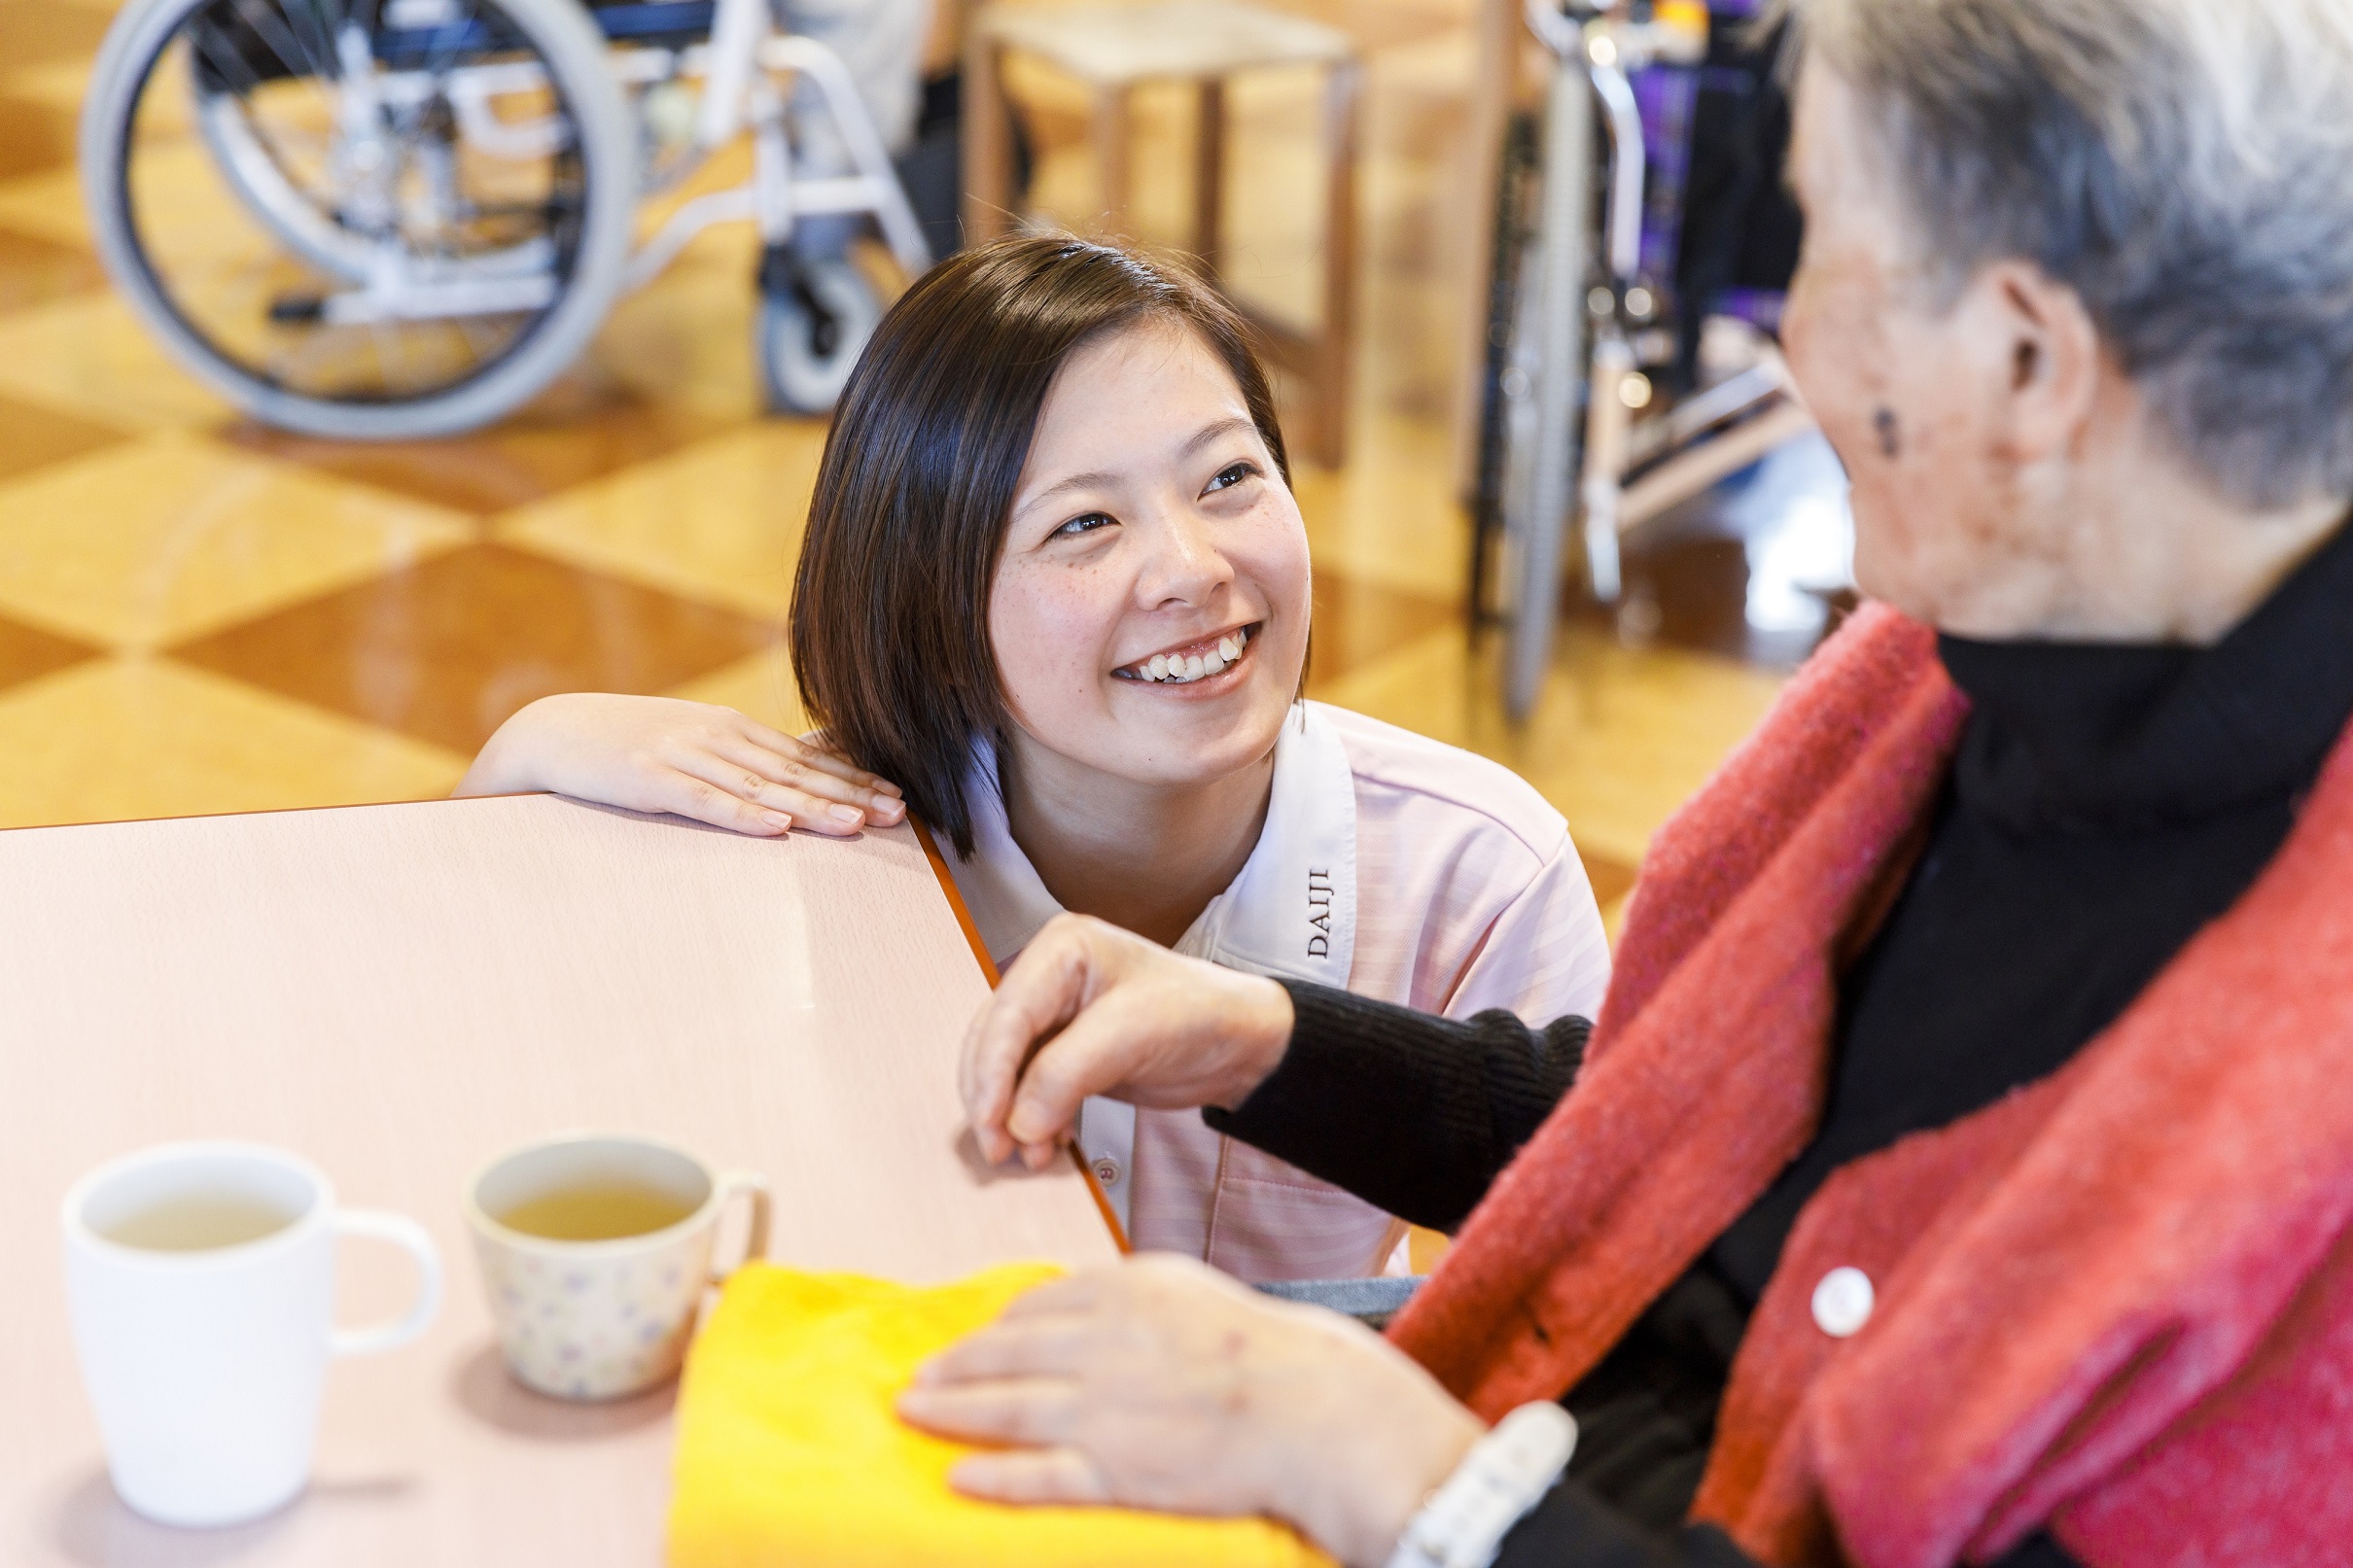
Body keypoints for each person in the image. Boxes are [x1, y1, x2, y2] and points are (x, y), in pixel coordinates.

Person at [892, 1, 2353, 1564]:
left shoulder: (2297, 1136)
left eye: (1825, 251)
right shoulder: (1963, 662)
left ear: (2024, 359)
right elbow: (1687, 1144)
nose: (1789, 333)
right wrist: (1271, 1038)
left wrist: (1408, 1482)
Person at [458, 237, 1612, 1282]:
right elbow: (479, 1083)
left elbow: (1611, 1268)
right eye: (1082, 524)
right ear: (933, 600)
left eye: (1227, 477)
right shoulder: (817, 845)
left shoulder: (1480, 871)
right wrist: (523, 767)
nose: (1190, 568)